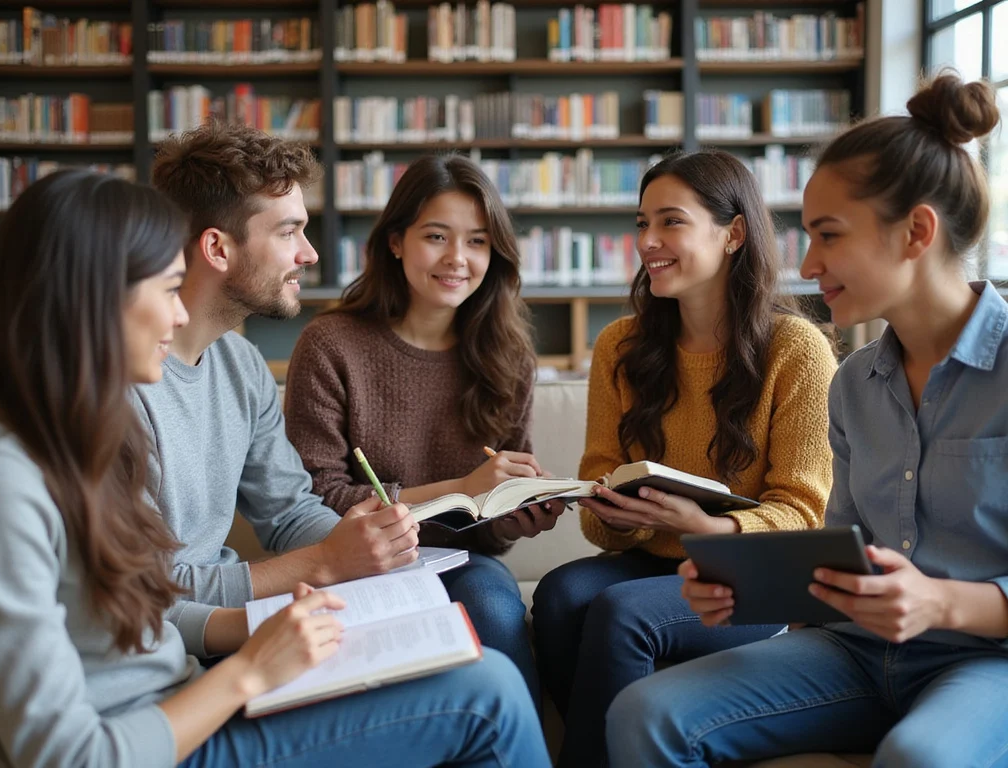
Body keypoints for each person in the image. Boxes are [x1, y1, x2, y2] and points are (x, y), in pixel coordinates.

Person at [0, 169, 551, 768]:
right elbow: (70, 754)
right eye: (166, 288)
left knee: (475, 660)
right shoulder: (16, 479)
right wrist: (253, 665)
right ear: (93, 300)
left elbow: (153, 606)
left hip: (185, 694)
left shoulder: (79, 436)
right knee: (487, 693)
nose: (179, 316)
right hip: (169, 723)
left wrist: (268, 623)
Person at [606, 73, 1008, 768]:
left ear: (916, 231)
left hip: (985, 662)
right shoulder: (854, 382)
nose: (808, 263)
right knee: (645, 711)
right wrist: (748, 584)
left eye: (828, 236)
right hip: (853, 649)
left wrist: (941, 603)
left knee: (922, 757)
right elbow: (837, 548)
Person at [530, 150, 837, 767]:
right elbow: (598, 509)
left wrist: (706, 527)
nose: (648, 241)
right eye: (642, 223)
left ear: (734, 233)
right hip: (652, 557)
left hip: (755, 578)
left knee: (621, 611)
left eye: (670, 222)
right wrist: (621, 511)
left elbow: (806, 514)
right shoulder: (620, 345)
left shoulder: (796, 349)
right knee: (561, 595)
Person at [284, 153, 564, 711]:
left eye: (479, 241)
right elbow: (317, 502)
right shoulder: (332, 345)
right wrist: (463, 487)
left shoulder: (510, 358)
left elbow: (490, 534)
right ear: (395, 241)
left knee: (493, 606)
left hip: (464, 564)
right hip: (358, 567)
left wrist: (512, 511)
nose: (458, 259)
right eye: (437, 236)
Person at [136, 122, 421, 657]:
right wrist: (328, 562)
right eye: (288, 232)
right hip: (195, 646)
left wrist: (360, 537)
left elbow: (288, 512)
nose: (309, 255)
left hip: (243, 630)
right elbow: (146, 593)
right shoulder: (124, 386)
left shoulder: (242, 364)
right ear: (217, 248)